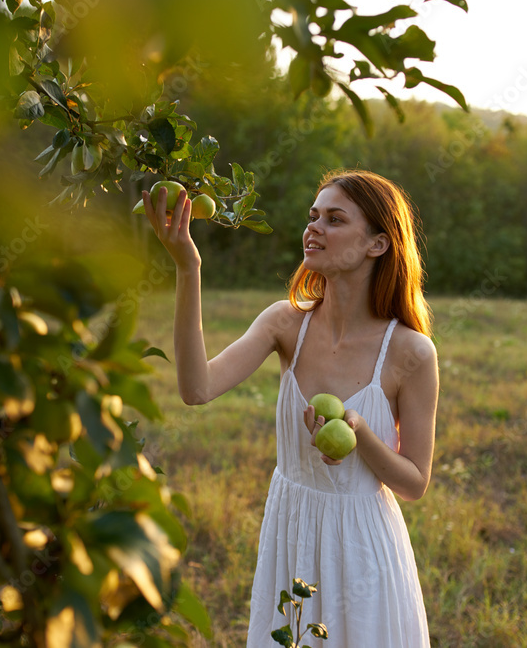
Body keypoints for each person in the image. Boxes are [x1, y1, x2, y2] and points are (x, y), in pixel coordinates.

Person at [141, 169, 439, 648]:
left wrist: (359, 432)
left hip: (363, 551)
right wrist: (187, 268)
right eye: (313, 215)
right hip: (291, 532)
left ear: (377, 244)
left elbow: (415, 483)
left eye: (334, 219)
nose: (314, 227)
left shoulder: (410, 352)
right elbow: (196, 389)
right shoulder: (285, 324)